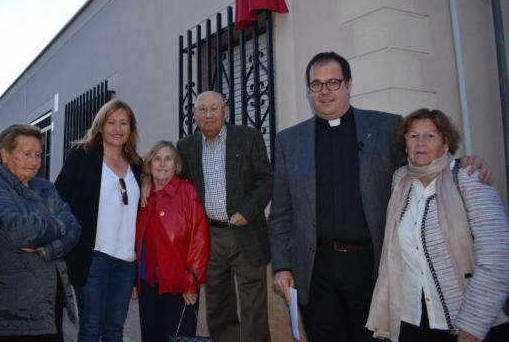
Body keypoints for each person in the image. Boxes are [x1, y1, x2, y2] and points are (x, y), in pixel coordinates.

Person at [269, 51, 491, 342]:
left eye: (333, 82)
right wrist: (282, 266)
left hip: (371, 267)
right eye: (316, 84)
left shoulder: (386, 127)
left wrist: (461, 164)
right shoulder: (289, 140)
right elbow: (281, 212)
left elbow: (423, 163)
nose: (325, 91)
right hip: (315, 270)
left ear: (349, 84)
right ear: (308, 89)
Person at [366, 109, 509, 342]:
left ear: (445, 143)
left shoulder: (469, 178)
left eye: (430, 136)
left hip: (463, 321)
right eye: (413, 136)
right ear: (405, 144)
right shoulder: (400, 181)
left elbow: (498, 259)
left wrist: (472, 326)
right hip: (411, 320)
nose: (420, 143)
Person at [177, 90, 272, 342]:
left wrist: (247, 211)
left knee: (254, 306)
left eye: (215, 108)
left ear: (226, 111)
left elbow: (265, 180)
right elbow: (176, 184)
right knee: (218, 303)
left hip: (247, 231)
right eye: (202, 110)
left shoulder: (249, 138)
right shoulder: (185, 147)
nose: (209, 115)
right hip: (209, 236)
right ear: (194, 114)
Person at [0, 124, 81, 341]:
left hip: (51, 299)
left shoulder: (46, 187)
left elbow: (76, 229)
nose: (34, 161)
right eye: (26, 154)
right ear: (4, 154)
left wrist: (47, 249)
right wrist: (61, 222)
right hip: (16, 307)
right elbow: (22, 232)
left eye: (37, 155)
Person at [55, 99, 142, 342]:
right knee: (92, 329)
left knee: (115, 329)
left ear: (131, 129)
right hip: (93, 257)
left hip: (126, 260)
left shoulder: (136, 164)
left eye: (123, 123)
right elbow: (57, 197)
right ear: (100, 126)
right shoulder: (82, 157)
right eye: (111, 122)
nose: (117, 128)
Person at [134, 140, 209, 342]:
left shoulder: (187, 192)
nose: (162, 164)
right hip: (147, 282)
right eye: (157, 159)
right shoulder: (141, 195)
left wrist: (191, 282)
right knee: (151, 337)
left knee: (179, 338)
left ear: (176, 165)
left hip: (179, 284)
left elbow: (199, 240)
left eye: (168, 159)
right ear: (149, 164)